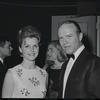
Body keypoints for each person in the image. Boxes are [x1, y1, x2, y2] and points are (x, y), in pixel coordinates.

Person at [2, 25, 48, 98]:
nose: (32, 50)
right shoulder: (12, 74)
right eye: (27, 46)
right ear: (20, 49)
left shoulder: (44, 74)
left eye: (35, 46)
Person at [58, 20, 100, 98]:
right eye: (61, 38)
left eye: (69, 36)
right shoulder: (65, 65)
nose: (64, 42)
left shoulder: (94, 62)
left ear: (80, 36)